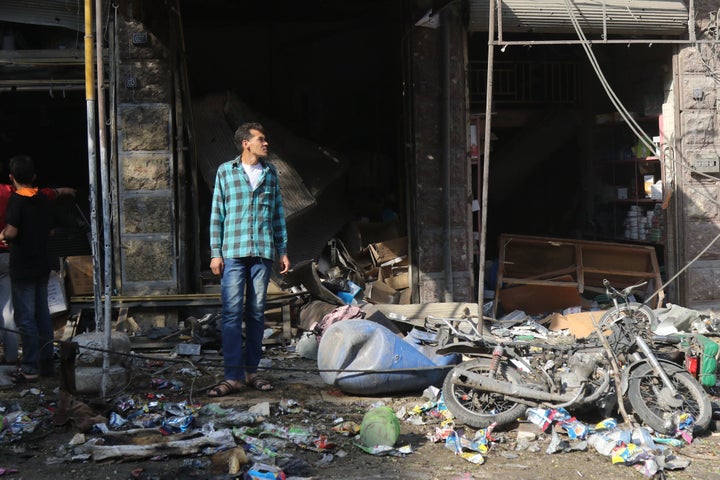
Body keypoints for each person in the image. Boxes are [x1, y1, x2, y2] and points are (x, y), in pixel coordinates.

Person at [208, 122, 290, 397]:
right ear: (246, 143)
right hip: (232, 252)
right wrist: (215, 253)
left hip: (262, 254)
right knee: (232, 314)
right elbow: (217, 214)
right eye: (261, 139)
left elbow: (278, 214)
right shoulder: (226, 172)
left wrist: (283, 250)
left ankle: (251, 372)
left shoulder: (270, 174)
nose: (266, 143)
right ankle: (232, 376)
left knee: (256, 314)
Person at [0, 160, 75, 367]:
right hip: (34, 262)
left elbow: (12, 231)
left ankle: (30, 364)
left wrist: (5, 234)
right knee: (28, 312)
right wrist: (65, 191)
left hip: (20, 264)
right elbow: (51, 197)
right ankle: (26, 358)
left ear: (12, 177)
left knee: (25, 316)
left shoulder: (16, 199)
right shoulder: (39, 197)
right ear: (33, 177)